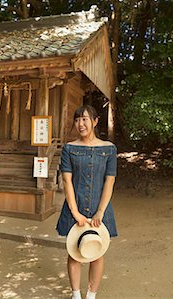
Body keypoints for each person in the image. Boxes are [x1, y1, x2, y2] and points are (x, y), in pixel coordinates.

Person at [56, 104, 118, 299]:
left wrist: (100, 212)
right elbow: (67, 180)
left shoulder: (109, 149)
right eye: (77, 120)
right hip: (76, 206)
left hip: (101, 208)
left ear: (95, 121)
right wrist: (75, 213)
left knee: (97, 252)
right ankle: (76, 294)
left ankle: (91, 295)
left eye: (84, 119)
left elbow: (110, 180)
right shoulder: (69, 148)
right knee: (75, 252)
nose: (80, 124)